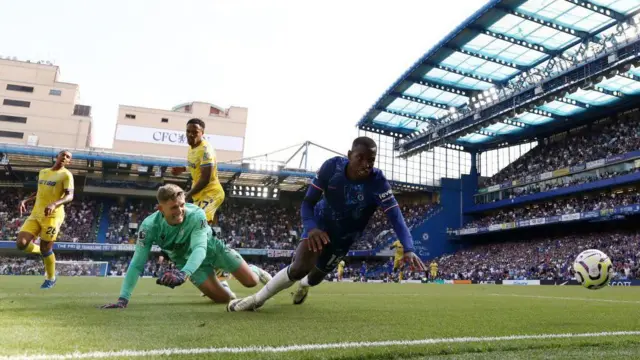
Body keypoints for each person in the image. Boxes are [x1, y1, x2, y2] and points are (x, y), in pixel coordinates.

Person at [227, 137, 426, 312]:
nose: (366, 164)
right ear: (350, 155)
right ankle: (255, 300)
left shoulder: (378, 182)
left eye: (371, 160)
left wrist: (408, 248)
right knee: (299, 268)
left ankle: (304, 286)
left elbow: (396, 216)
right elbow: (307, 203)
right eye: (361, 158)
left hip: (345, 237)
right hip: (320, 224)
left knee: (314, 278)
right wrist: (312, 227)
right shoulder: (332, 167)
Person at [100, 184, 271, 309]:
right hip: (187, 262)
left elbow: (199, 249)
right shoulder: (149, 227)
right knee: (225, 299)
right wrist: (123, 299)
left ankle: (255, 269)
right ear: (160, 208)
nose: (180, 210)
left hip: (213, 250)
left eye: (182, 205)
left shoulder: (197, 215)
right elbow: (137, 263)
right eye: (174, 207)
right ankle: (223, 286)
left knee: (251, 282)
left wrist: (183, 274)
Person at [170, 118, 268, 298]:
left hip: (212, 193)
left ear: (202, 133)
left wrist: (187, 194)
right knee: (196, 232)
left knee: (199, 228)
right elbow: (195, 167)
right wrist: (181, 169)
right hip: (200, 196)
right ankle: (219, 276)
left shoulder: (207, 150)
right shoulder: (191, 150)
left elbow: (205, 178)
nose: (191, 135)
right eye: (188, 132)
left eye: (195, 132)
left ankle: (248, 270)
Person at [16, 150, 74, 289]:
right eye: (63, 155)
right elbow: (40, 192)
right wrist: (26, 200)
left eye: (68, 157)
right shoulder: (43, 172)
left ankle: (50, 278)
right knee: (21, 243)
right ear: (57, 156)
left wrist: (54, 203)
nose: (64, 158)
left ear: (69, 162)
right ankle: (42, 252)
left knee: (46, 248)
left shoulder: (66, 175)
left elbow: (69, 196)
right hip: (36, 214)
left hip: (53, 216)